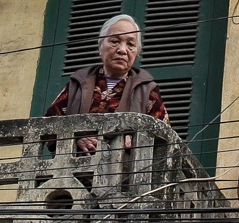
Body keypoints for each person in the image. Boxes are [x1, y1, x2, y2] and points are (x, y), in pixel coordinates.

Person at [43, 13, 168, 153]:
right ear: (100, 47)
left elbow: (165, 139)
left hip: (126, 173)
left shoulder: (147, 91)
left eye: (131, 44)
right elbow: (47, 127)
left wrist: (138, 140)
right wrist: (75, 138)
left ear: (136, 53)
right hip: (76, 172)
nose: (122, 50)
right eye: (115, 41)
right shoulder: (77, 85)